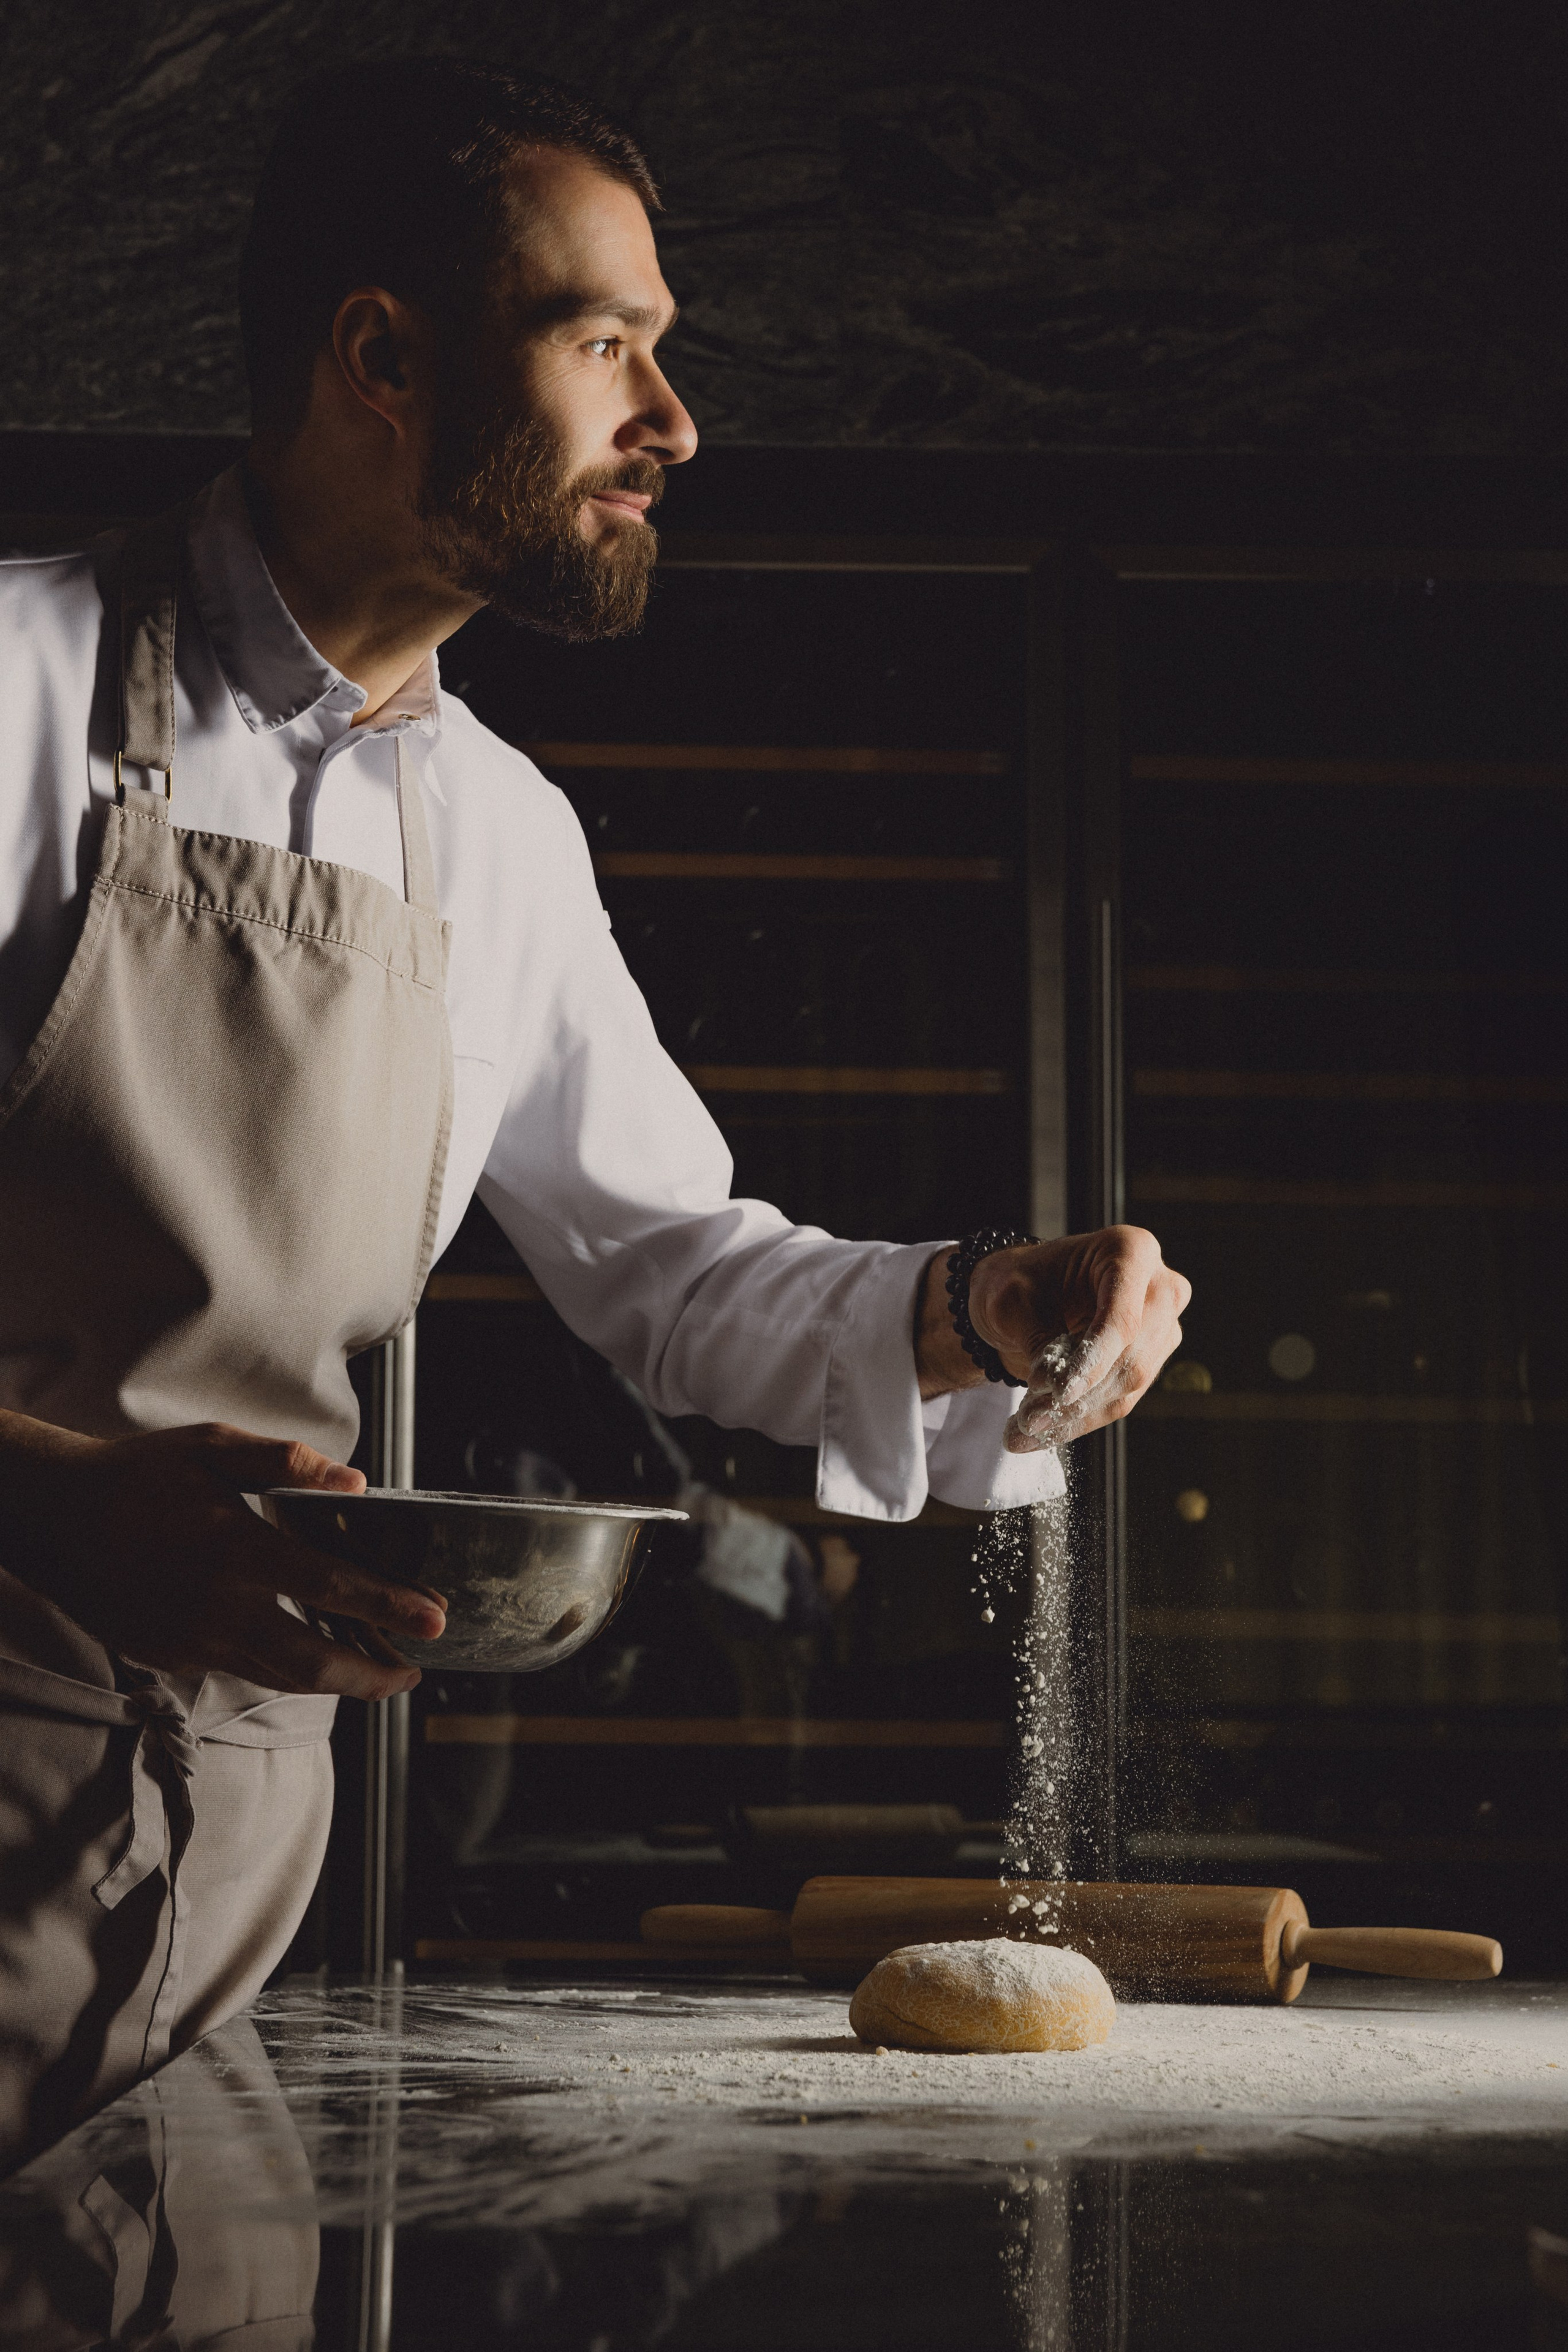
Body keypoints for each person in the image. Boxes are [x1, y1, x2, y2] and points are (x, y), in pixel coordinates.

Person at [0, 59, 1188, 2163]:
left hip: (217, 1915)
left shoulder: (500, 838)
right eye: (603, 344)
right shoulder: (13, 683)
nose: (674, 422)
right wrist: (50, 1495)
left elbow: (679, 1268)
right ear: (382, 356)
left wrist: (988, 1304)